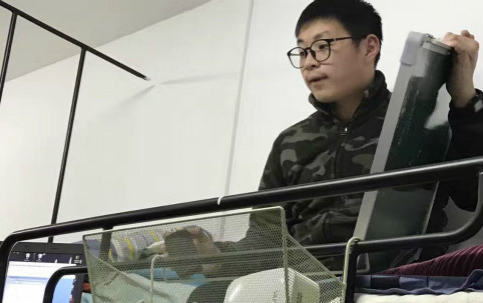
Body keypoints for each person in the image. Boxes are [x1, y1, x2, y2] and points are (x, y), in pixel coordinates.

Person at [158, 0, 483, 276]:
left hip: (396, 276)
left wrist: (466, 99)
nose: (310, 62)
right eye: (302, 52)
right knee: (197, 300)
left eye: (323, 46)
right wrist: (216, 256)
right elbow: (264, 241)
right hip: (304, 288)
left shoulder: (420, 121)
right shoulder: (290, 142)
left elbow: (472, 196)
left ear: (369, 46)